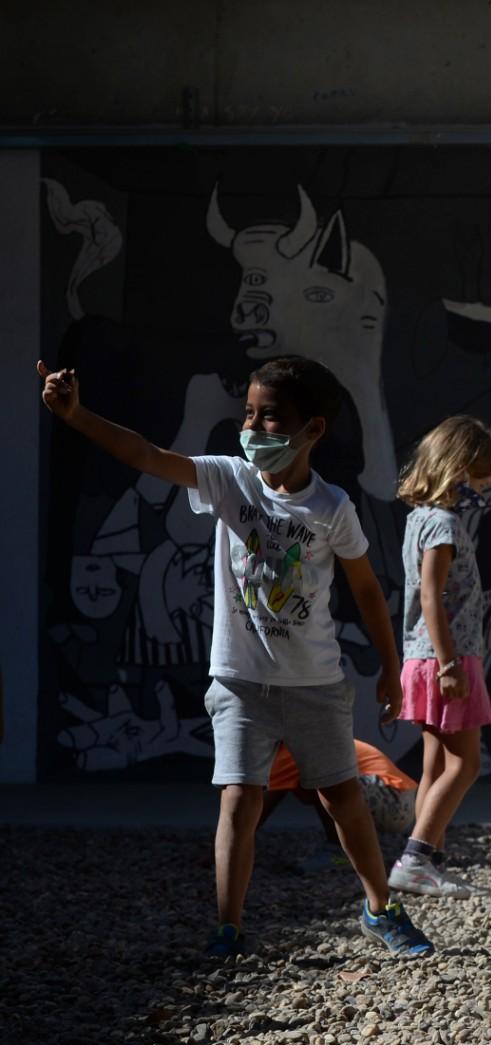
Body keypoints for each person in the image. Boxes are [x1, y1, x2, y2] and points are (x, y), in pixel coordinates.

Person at [37, 357, 432, 958]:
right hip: (240, 683)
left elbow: (368, 590)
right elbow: (145, 454)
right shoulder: (229, 480)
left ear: (313, 431)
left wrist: (390, 666)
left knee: (343, 798)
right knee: (239, 802)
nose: (252, 428)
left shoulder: (332, 507)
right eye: (248, 414)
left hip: (317, 685)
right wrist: (77, 416)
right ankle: (228, 927)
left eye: (269, 418)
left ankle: (380, 908)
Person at [390, 416, 491, 897]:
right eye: (483, 475)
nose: (485, 485)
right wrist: (451, 664)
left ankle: (428, 856)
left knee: (435, 763)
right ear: (460, 469)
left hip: (423, 658)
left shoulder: (419, 519)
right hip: (446, 660)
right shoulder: (444, 524)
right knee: (465, 764)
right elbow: (433, 598)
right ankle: (415, 860)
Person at [259, 740, 420, 874]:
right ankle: (352, 853)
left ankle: (341, 853)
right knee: (322, 777)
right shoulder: (293, 742)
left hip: (394, 799)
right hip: (395, 797)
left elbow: (258, 811)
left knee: (326, 778)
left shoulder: (287, 750)